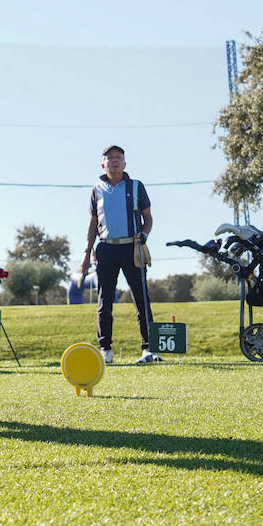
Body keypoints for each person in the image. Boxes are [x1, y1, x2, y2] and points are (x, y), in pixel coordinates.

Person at [79, 144, 160, 365]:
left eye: (119, 157)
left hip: (132, 248)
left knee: (141, 298)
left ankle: (148, 348)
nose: (115, 160)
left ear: (124, 163)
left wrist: (144, 234)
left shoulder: (136, 187)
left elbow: (148, 218)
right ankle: (105, 349)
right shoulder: (96, 190)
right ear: (103, 164)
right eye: (110, 157)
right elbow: (93, 223)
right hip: (106, 248)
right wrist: (87, 252)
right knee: (104, 300)